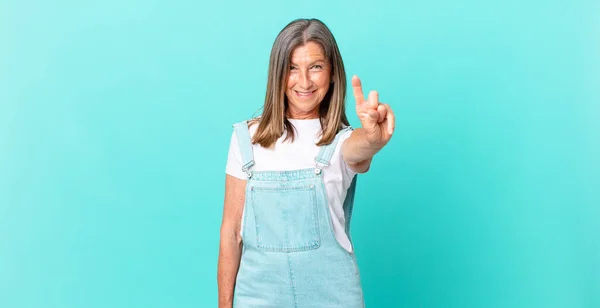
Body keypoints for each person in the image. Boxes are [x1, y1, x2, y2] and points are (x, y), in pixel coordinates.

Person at [217, 18, 395, 308]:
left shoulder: (341, 142)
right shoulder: (245, 139)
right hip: (257, 298)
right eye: (291, 68)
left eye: (316, 67)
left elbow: (361, 149)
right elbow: (231, 232)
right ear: (277, 74)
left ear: (333, 73)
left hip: (333, 296)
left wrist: (376, 138)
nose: (304, 82)